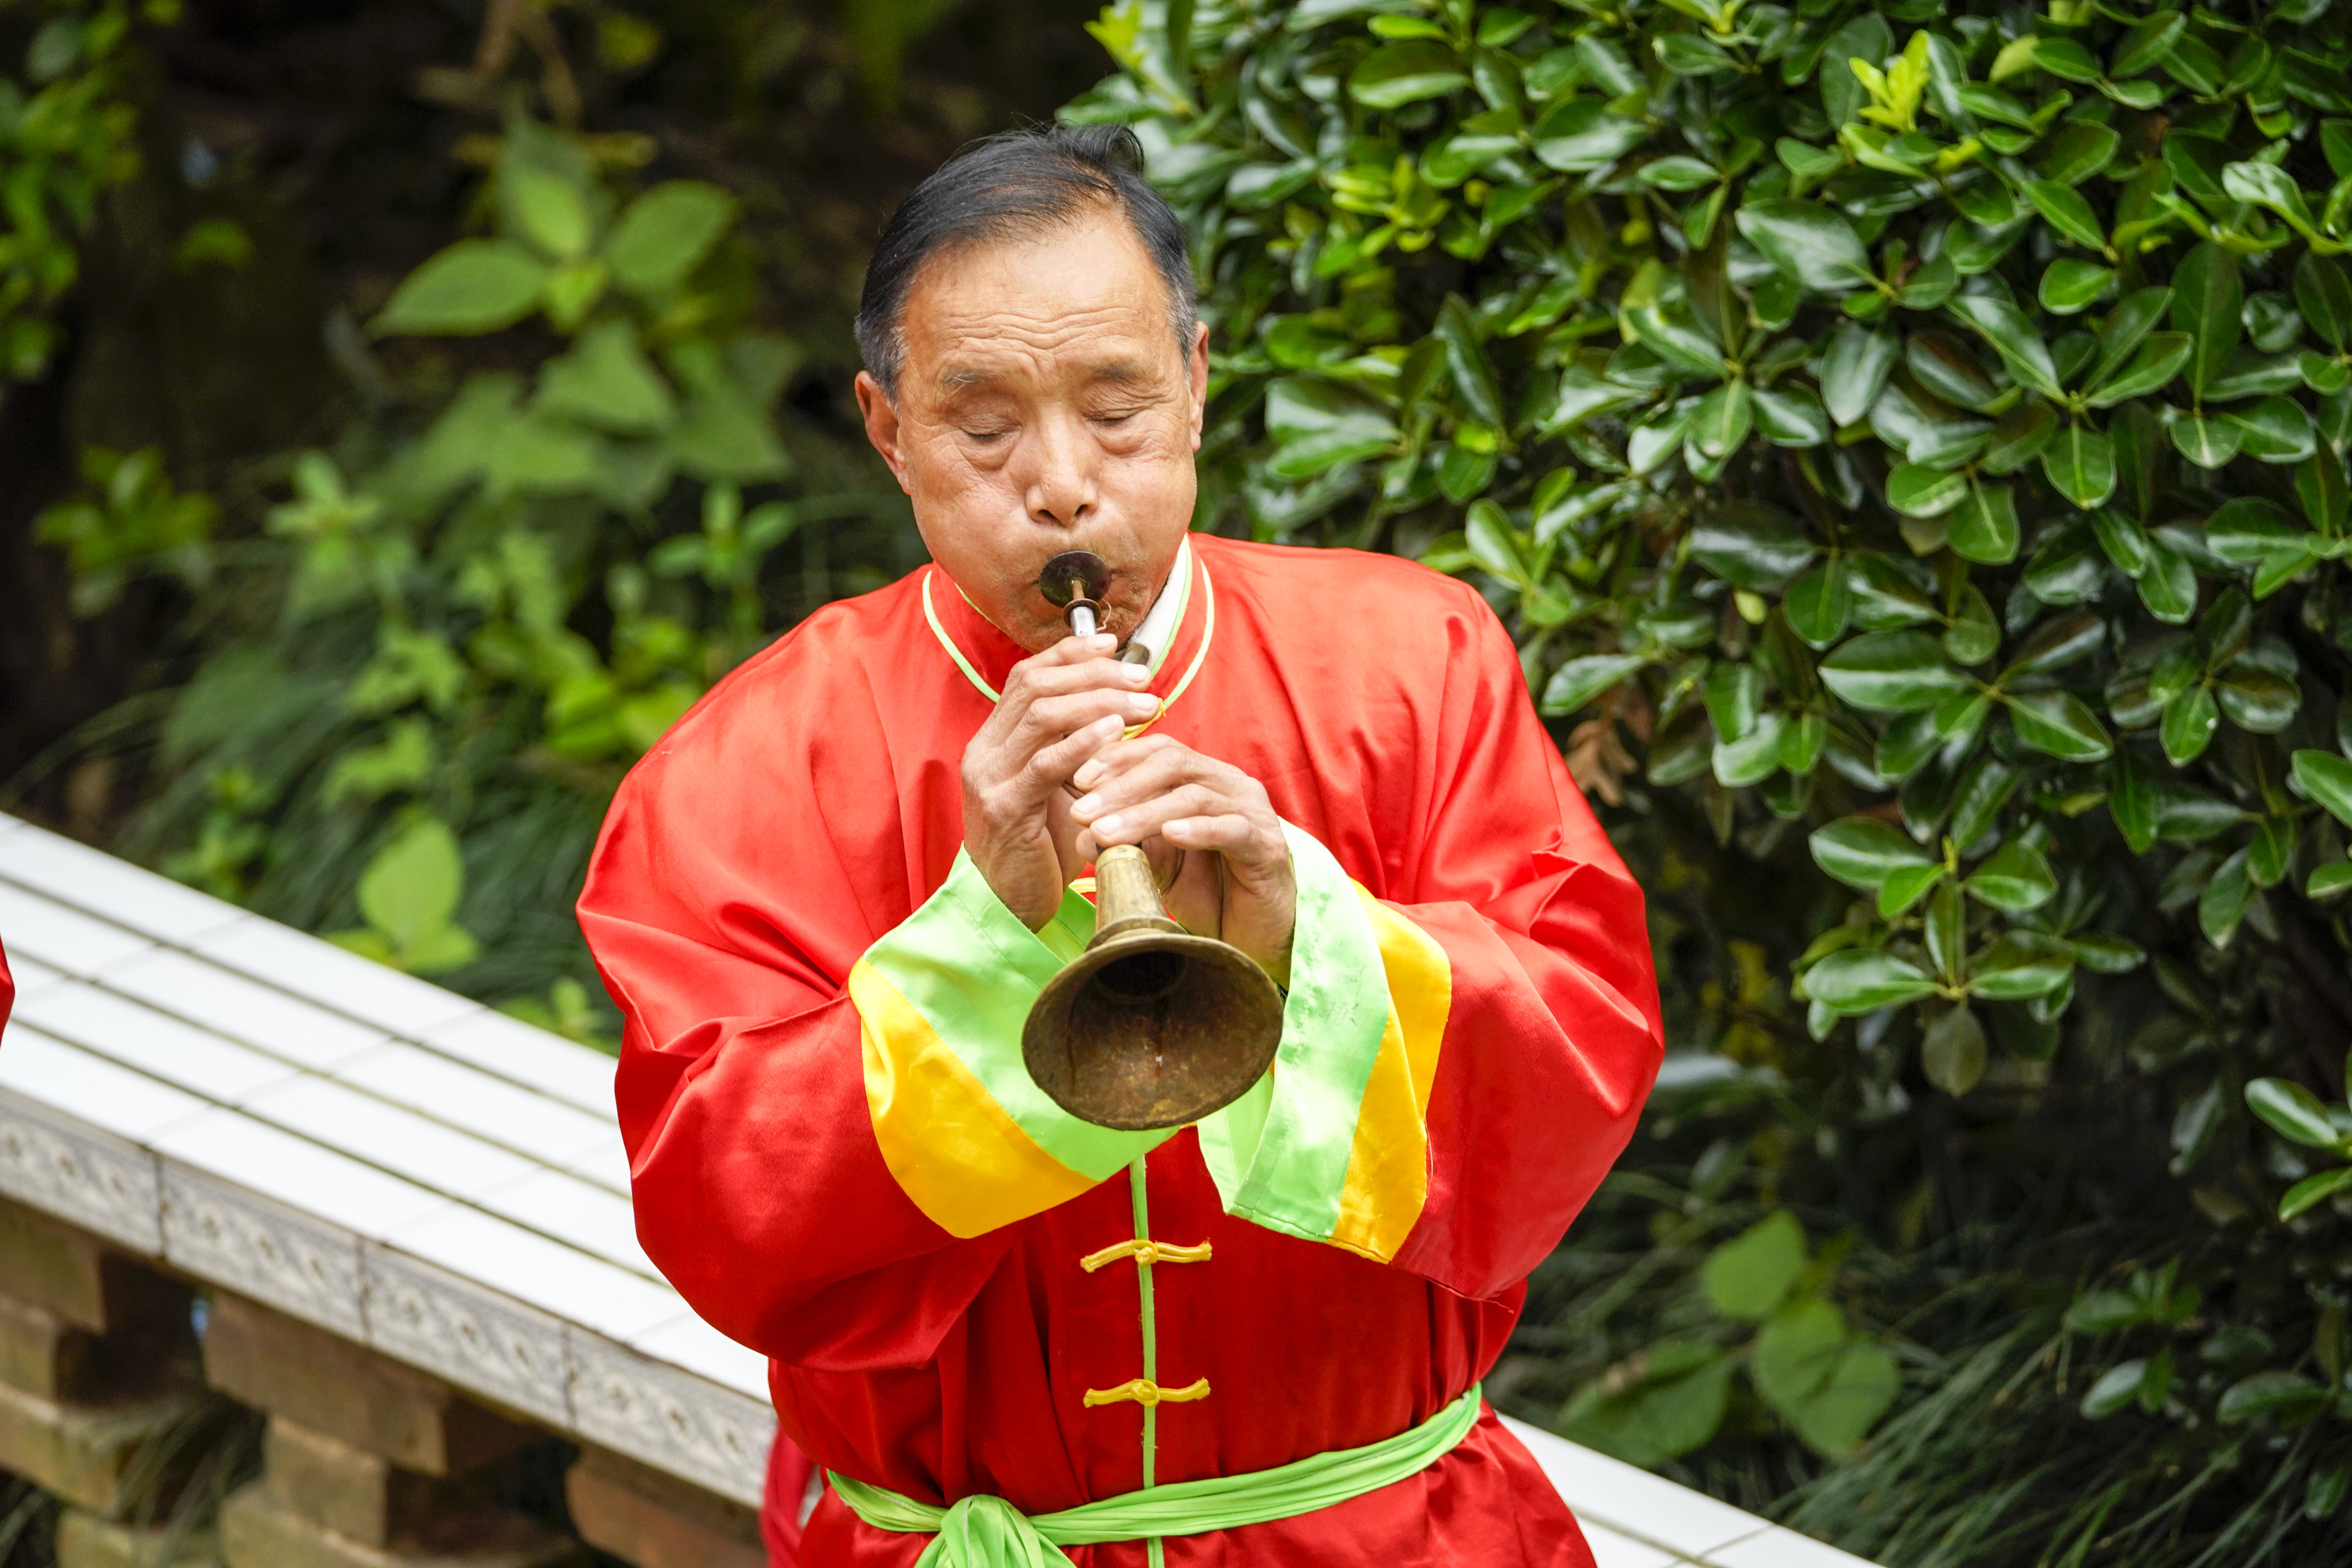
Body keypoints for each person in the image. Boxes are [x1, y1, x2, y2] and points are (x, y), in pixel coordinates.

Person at [577, 125, 1663, 1568]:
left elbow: (1583, 1045)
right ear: (885, 430)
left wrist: (1309, 938)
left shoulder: (1414, 659)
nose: (1063, 486)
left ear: (1198, 386)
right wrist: (983, 939)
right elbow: (723, 1207)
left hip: (1375, 1534)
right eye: (982, 429)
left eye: (1117, 410)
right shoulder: (750, 764)